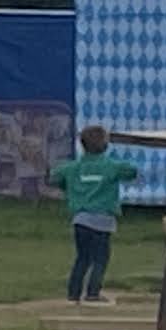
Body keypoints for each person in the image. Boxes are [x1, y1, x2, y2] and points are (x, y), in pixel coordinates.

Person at [50, 124, 140, 305]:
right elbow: (132, 171)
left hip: (80, 220)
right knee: (101, 259)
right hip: (103, 221)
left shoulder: (72, 168)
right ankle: (93, 292)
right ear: (105, 145)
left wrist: (69, 188)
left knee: (82, 258)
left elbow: (54, 177)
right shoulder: (110, 166)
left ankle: (73, 293)